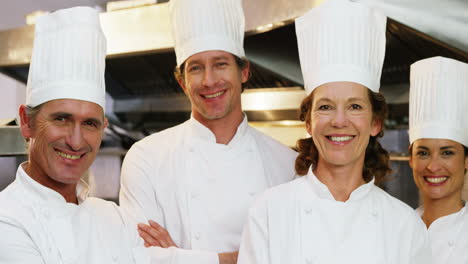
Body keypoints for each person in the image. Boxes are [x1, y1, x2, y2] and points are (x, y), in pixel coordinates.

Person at [237, 0, 431, 263]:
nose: (339, 121)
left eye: (354, 106)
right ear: (308, 122)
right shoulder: (269, 212)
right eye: (326, 106)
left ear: (375, 123)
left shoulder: (405, 226)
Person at [118, 0, 297, 263]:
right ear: (182, 81)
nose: (210, 80)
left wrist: (178, 257)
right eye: (196, 68)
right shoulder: (146, 158)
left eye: (221, 64)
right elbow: (138, 258)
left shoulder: (288, 166)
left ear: (244, 71)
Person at [0, 7, 176, 264]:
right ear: (27, 122)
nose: (76, 140)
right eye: (62, 118)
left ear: (103, 128)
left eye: (90, 123)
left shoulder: (113, 216)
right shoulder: (7, 217)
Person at [408, 56, 468, 263]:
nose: (433, 166)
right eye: (423, 153)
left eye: (447, 152)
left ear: (466, 160)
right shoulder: (397, 226)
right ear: (411, 159)